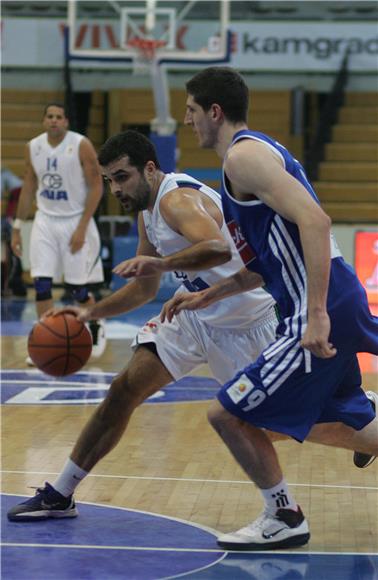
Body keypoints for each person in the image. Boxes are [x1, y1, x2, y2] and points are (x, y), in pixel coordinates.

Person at [7, 130, 279, 522]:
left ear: (150, 169)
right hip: (192, 316)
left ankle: (353, 412)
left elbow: (217, 247)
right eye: (109, 180)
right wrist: (88, 314)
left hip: (245, 323)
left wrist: (164, 264)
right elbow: (143, 289)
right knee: (124, 389)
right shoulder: (146, 212)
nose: (115, 188)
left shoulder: (176, 199)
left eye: (122, 177)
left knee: (271, 427)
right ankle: (61, 493)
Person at [158, 66, 378, 550]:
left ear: (215, 112)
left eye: (192, 111)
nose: (187, 120)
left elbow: (316, 221)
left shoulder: (243, 158)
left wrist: (316, 312)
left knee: (228, 415)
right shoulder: (245, 160)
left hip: (319, 305)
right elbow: (267, 266)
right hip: (330, 297)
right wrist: (207, 294)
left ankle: (284, 516)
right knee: (346, 422)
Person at [10, 103, 106, 360]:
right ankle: (46, 335)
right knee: (41, 283)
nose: (54, 121)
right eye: (49, 117)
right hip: (45, 219)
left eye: (59, 117)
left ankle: (95, 324)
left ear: (66, 121)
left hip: (75, 218)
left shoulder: (81, 144)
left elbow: (97, 186)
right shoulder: (34, 146)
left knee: (77, 290)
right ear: (44, 121)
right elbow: (29, 185)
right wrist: (17, 228)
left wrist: (83, 227)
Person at [1, 168, 27, 297]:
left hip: (3, 220)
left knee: (12, 245)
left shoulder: (3, 174)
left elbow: (21, 188)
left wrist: (10, 212)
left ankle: (13, 282)